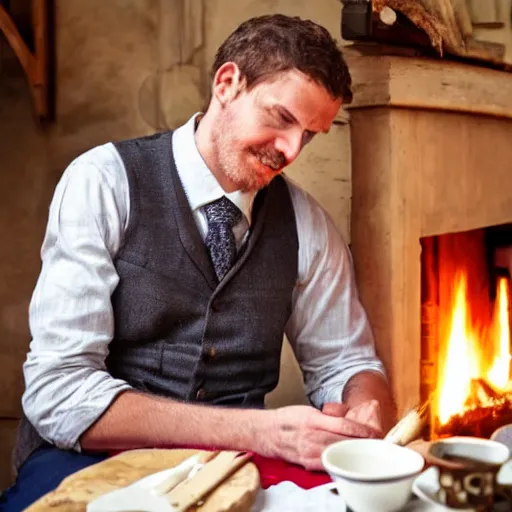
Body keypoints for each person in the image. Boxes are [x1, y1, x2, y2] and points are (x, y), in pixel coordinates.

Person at [0, 14, 396, 510]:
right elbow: (59, 392)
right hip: (85, 462)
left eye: (310, 135)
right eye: (281, 118)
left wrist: (363, 407)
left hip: (238, 469)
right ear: (227, 84)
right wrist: (261, 430)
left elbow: (348, 361)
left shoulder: (308, 225)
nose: (291, 151)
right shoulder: (102, 181)